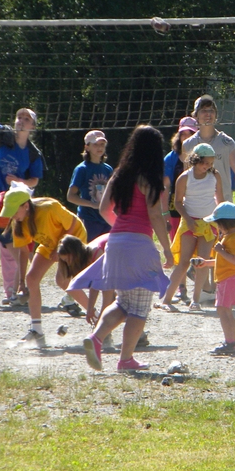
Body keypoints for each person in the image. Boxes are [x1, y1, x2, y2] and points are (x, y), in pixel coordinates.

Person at [71, 125, 173, 373]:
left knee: (124, 303)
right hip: (139, 245)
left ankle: (96, 338)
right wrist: (167, 250)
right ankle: (125, 359)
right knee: (139, 307)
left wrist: (121, 228)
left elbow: (105, 209)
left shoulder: (118, 175)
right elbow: (155, 215)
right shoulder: (150, 178)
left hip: (115, 242)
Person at [0, 73, 44, 307]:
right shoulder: (4, 136)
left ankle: (10, 293)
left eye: (27, 118)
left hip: (9, 203)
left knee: (9, 248)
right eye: (19, 116)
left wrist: (21, 182)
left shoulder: (33, 153)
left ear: (32, 126)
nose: (21, 120)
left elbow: (34, 181)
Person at [0, 184, 87, 343]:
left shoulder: (49, 208)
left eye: (14, 211)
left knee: (62, 281)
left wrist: (60, 248)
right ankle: (36, 330)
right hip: (50, 243)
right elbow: (24, 251)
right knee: (31, 279)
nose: (11, 216)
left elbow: (73, 224)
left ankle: (97, 316)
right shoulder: (20, 221)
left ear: (26, 205)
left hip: (73, 238)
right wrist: (21, 283)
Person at [158, 143, 223, 312]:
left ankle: (196, 301)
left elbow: (220, 201)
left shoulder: (215, 176)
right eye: (204, 163)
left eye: (210, 163)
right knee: (184, 262)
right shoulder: (185, 178)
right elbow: (178, 202)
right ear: (195, 160)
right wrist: (188, 219)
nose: (207, 166)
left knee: (202, 260)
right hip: (189, 222)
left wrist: (221, 223)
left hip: (209, 223)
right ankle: (167, 299)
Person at [182, 94, 235, 208]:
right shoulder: (188, 144)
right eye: (204, 110)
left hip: (223, 204)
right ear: (196, 116)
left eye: (211, 110)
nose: (208, 114)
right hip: (197, 205)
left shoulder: (226, 142)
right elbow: (186, 175)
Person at [190, 202, 235, 355]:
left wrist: (220, 250)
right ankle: (230, 342)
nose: (217, 227)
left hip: (229, 278)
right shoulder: (229, 236)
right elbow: (225, 261)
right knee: (225, 310)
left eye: (217, 224)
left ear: (223, 223)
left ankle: (230, 343)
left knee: (223, 310)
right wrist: (206, 263)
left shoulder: (233, 239)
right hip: (228, 277)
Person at [162, 116, 198, 303]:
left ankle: (202, 290)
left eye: (190, 133)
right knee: (178, 248)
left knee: (198, 246)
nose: (186, 137)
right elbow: (166, 186)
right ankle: (181, 288)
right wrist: (164, 212)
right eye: (183, 133)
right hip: (175, 207)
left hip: (198, 207)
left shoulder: (202, 155)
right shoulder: (171, 158)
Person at [67, 130, 114, 242]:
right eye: (95, 144)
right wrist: (91, 204)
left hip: (106, 219)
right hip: (89, 220)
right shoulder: (82, 169)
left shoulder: (108, 169)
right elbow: (71, 196)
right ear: (87, 147)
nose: (99, 148)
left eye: (102, 144)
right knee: (89, 254)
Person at [57, 234, 114, 325]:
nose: (68, 264)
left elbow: (108, 288)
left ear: (75, 253)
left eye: (68, 259)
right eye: (65, 261)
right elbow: (95, 284)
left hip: (128, 250)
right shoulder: (86, 258)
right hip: (115, 262)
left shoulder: (96, 254)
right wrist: (90, 308)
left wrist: (100, 320)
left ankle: (104, 328)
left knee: (122, 297)